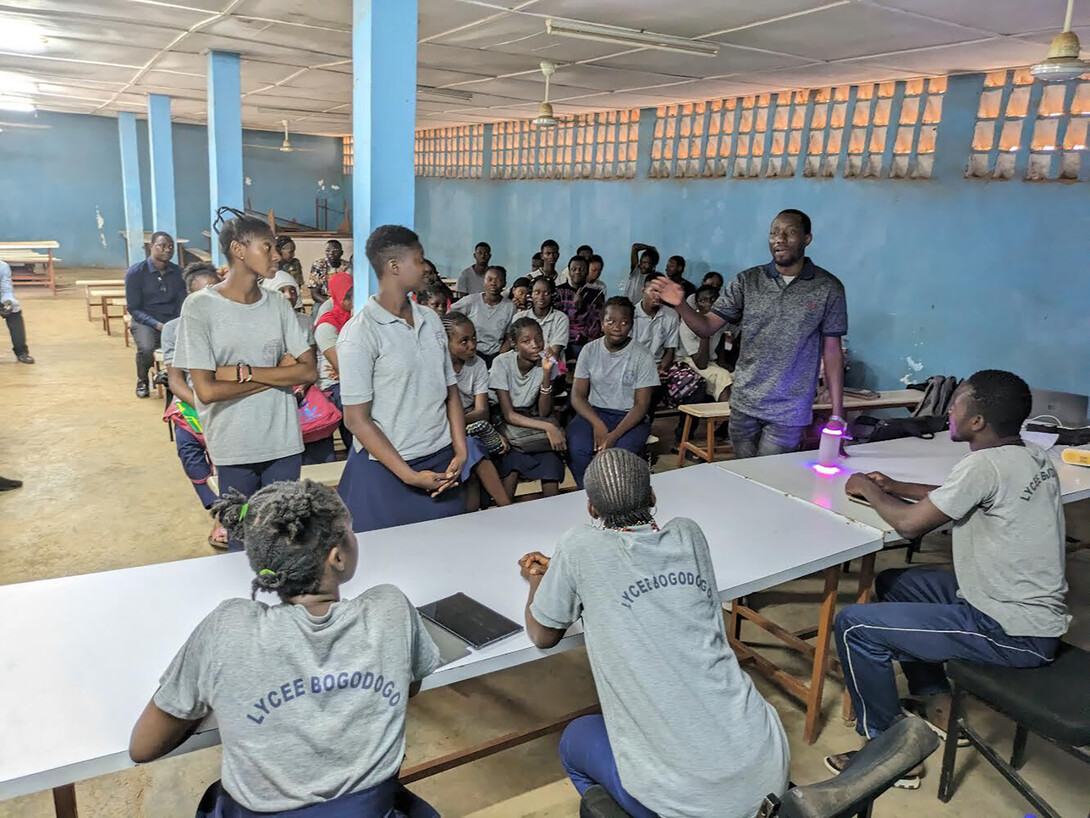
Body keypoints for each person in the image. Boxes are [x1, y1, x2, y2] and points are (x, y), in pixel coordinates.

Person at [129, 480, 441, 817]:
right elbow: (407, 685)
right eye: (352, 531)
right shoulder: (389, 609)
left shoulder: (229, 628)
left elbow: (143, 746)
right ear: (337, 557)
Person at [826, 371, 1070, 789]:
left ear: (977, 421)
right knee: (895, 584)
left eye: (956, 403)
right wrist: (896, 484)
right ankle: (937, 702)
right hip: (1013, 605)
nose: (949, 410)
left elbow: (908, 526)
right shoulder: (1028, 456)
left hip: (1011, 629)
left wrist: (869, 487)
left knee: (855, 626)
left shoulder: (982, 464)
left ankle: (888, 753)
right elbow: (962, 492)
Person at [518, 449, 790, 818]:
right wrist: (570, 573)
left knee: (575, 740)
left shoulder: (580, 545)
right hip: (768, 769)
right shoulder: (689, 533)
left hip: (694, 804)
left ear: (592, 510)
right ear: (652, 498)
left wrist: (539, 580)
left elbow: (543, 633)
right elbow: (635, 566)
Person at [173, 209, 317, 551]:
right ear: (239, 250)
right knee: (243, 542)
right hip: (234, 444)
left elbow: (309, 370)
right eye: (266, 247)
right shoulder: (200, 307)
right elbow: (206, 390)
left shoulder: (277, 305)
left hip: (282, 441)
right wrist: (279, 375)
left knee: (283, 540)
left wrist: (243, 373)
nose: (277, 254)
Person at [652, 209, 847, 459]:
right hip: (744, 403)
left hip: (789, 409)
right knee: (743, 470)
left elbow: (832, 353)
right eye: (774, 233)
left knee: (768, 475)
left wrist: (837, 412)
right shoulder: (748, 281)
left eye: (790, 233)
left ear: (807, 239)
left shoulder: (828, 288)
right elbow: (707, 327)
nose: (780, 239)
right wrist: (680, 303)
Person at [336, 225, 467, 533]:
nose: (425, 267)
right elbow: (356, 420)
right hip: (387, 468)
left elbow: (450, 393)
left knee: (443, 553)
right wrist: (408, 475)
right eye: (419, 260)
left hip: (441, 461)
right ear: (394, 267)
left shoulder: (432, 320)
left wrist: (460, 451)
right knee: (389, 562)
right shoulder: (360, 333)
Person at [162, 263, 225, 548]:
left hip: (223, 399)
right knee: (188, 451)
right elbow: (176, 382)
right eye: (202, 293)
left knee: (226, 462)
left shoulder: (228, 325)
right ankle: (218, 508)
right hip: (192, 402)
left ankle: (227, 515)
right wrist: (200, 403)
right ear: (189, 296)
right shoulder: (174, 329)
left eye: (215, 291)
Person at [567, 297, 659, 488]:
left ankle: (615, 500)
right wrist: (598, 424)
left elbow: (641, 406)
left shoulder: (643, 355)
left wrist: (614, 435)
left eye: (624, 322)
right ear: (602, 325)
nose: (617, 327)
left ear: (631, 326)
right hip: (593, 413)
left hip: (629, 418)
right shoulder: (589, 350)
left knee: (618, 458)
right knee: (578, 449)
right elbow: (577, 396)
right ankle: (588, 495)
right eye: (611, 322)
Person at [443, 311, 513, 512]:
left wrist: (458, 421)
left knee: (473, 455)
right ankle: (505, 507)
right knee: (473, 448)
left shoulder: (478, 364)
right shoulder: (436, 367)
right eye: (463, 341)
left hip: (466, 423)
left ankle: (492, 511)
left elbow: (482, 412)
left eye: (474, 337)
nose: (472, 345)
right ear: (446, 343)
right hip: (442, 427)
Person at [490, 317, 566, 499]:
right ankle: (504, 515)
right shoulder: (502, 363)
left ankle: (553, 515)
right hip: (505, 418)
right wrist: (549, 427)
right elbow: (508, 414)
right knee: (512, 459)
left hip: (532, 417)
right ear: (515, 345)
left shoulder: (547, 363)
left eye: (539, 338)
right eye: (526, 341)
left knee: (551, 460)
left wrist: (547, 373)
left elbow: (543, 412)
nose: (536, 345)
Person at [125, 231, 186, 398]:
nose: (167, 250)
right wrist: (157, 324)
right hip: (145, 320)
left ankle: (178, 380)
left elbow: (182, 302)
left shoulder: (178, 273)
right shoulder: (136, 273)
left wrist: (175, 323)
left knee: (189, 343)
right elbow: (134, 308)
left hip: (172, 319)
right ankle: (142, 379)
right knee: (146, 348)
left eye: (171, 247)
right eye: (162, 246)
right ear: (151, 247)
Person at [313, 272, 353, 453]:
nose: (352, 301)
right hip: (332, 385)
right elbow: (345, 369)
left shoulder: (354, 319)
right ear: (337, 297)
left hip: (348, 380)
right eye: (347, 297)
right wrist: (347, 368)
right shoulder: (327, 326)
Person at [450, 265, 515, 367]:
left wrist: (499, 358)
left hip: (496, 354)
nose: (493, 283)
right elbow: (449, 313)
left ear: (504, 283)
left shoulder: (510, 306)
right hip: (472, 351)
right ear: (484, 281)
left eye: (498, 280)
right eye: (489, 279)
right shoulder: (471, 301)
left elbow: (509, 337)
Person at [678, 284, 733, 401]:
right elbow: (701, 365)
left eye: (714, 299)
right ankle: (724, 416)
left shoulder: (721, 320)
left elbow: (722, 337)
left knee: (739, 375)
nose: (710, 303)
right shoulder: (687, 325)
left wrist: (721, 360)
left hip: (711, 361)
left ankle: (736, 415)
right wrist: (704, 332)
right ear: (697, 304)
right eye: (703, 300)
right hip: (690, 362)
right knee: (722, 376)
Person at [508, 276, 569, 360]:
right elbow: (516, 348)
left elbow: (554, 352)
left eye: (546, 293)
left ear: (552, 294)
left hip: (551, 365)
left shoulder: (560, 318)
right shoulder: (519, 317)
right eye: (537, 292)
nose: (541, 297)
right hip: (524, 364)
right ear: (530, 294)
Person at [556, 255, 605, 359]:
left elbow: (597, 323)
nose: (577, 272)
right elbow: (556, 318)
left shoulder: (596, 294)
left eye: (581, 269)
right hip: (562, 341)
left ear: (587, 272)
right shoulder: (558, 291)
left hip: (585, 343)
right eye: (574, 269)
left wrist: (582, 306)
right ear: (569, 271)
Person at [633, 273, 679, 377]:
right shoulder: (631, 314)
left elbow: (670, 349)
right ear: (643, 291)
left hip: (657, 365)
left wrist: (661, 369)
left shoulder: (671, 315)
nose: (658, 295)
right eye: (654, 291)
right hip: (632, 365)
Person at [263, 269, 314, 343]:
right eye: (282, 291)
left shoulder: (306, 322)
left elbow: (311, 353)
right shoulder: (260, 324)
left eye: (292, 291)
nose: (289, 296)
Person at [0, 259, 33, 364]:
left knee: (14, 310)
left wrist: (7, 302)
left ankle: (21, 352)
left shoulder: (3, 267)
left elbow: (6, 290)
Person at [307, 239, 349, 308]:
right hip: (322, 300)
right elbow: (314, 294)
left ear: (341, 253)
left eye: (335, 251)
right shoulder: (319, 265)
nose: (331, 254)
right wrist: (330, 304)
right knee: (318, 311)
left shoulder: (347, 266)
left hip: (342, 301)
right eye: (328, 251)